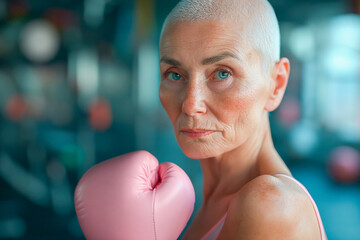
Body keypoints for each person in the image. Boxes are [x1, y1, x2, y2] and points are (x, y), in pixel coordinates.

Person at [158, 0, 327, 239]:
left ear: (276, 84)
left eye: (222, 73)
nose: (191, 105)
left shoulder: (271, 204)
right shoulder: (211, 200)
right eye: (175, 74)